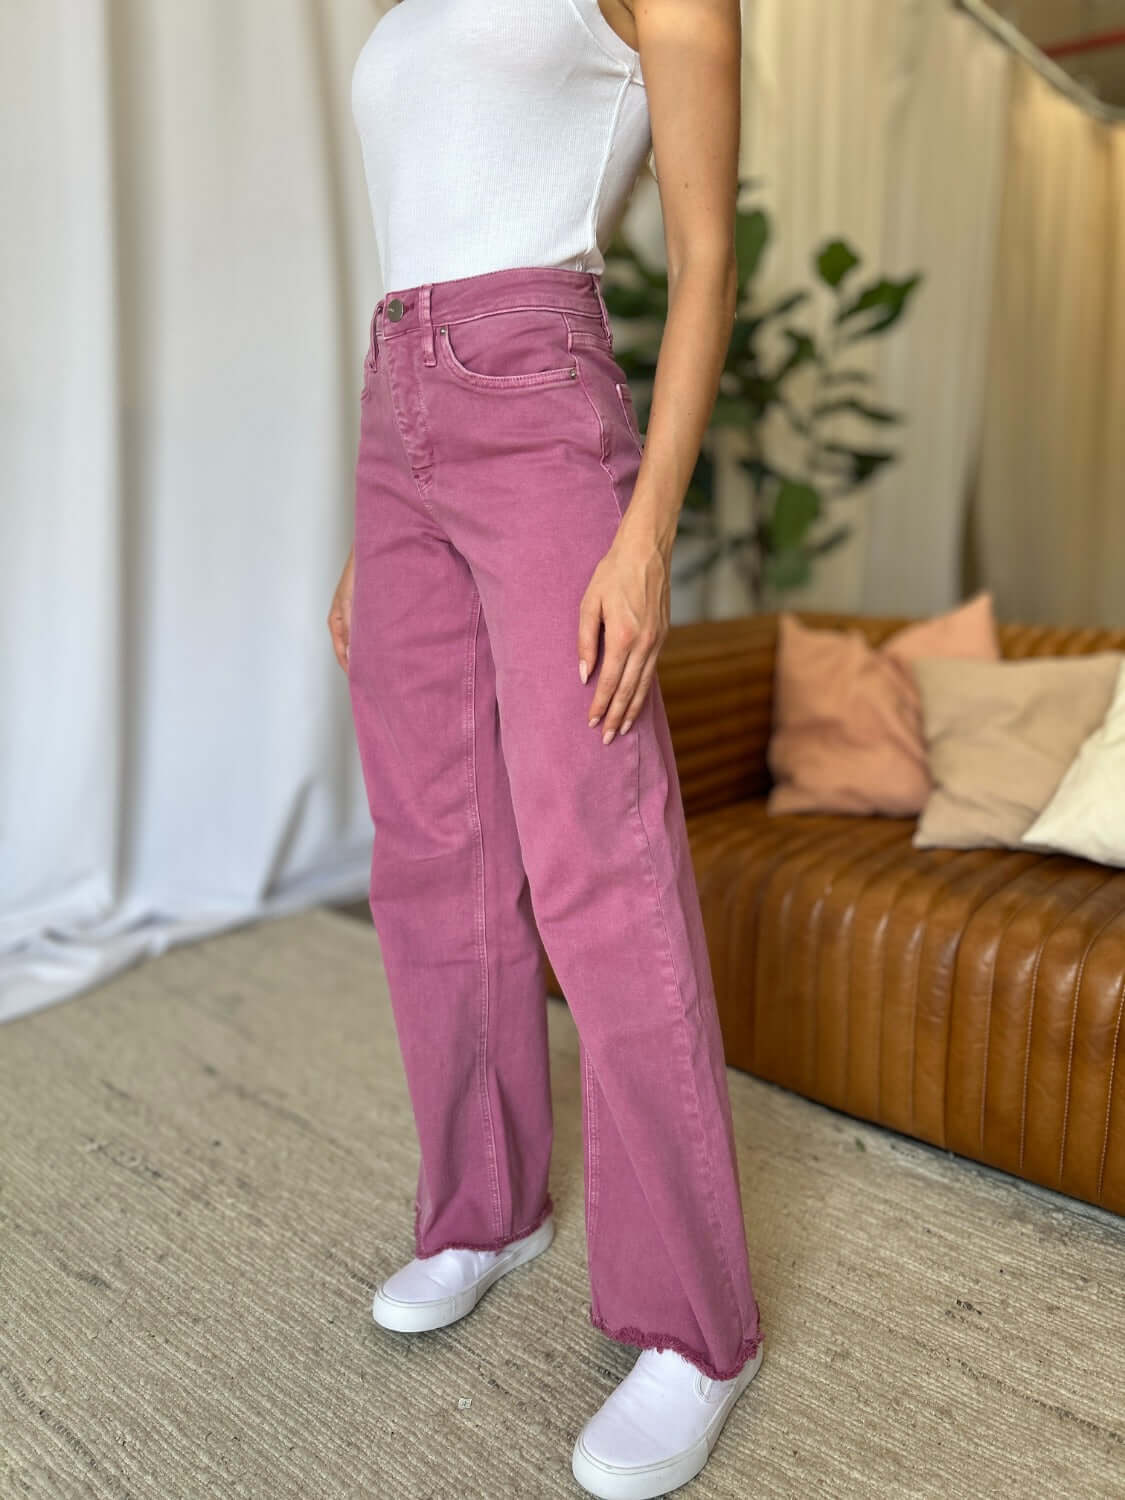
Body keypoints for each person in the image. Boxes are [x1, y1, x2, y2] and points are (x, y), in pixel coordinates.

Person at [328, 1, 763, 1494]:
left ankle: (696, 1324)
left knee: (601, 867)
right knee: (433, 851)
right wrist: (369, 525)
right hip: (398, 405)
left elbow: (702, 256)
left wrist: (643, 532)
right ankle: (482, 1206)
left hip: (536, 390)